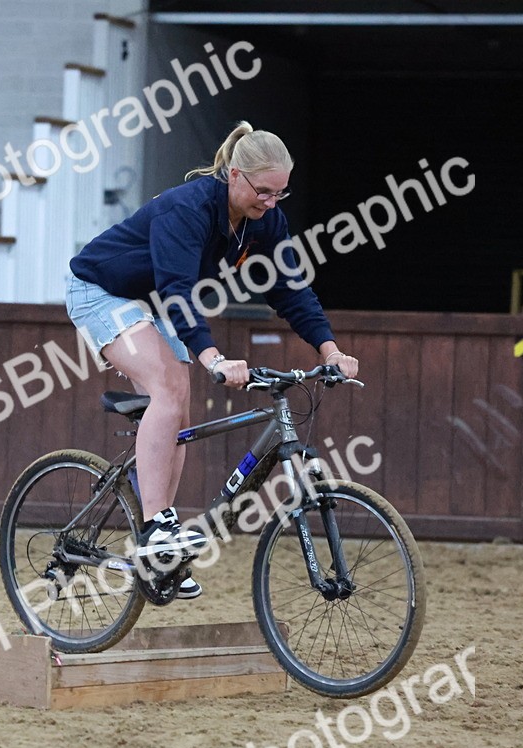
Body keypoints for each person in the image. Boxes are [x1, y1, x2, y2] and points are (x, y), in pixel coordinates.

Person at [65, 121, 359, 600]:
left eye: (281, 194)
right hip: (101, 291)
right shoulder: (190, 208)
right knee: (167, 387)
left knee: (179, 407)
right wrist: (213, 357)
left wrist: (331, 350)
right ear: (235, 176)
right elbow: (178, 293)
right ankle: (159, 528)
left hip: (150, 301)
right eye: (263, 191)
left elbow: (289, 288)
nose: (270, 202)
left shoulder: (264, 220)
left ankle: (160, 546)